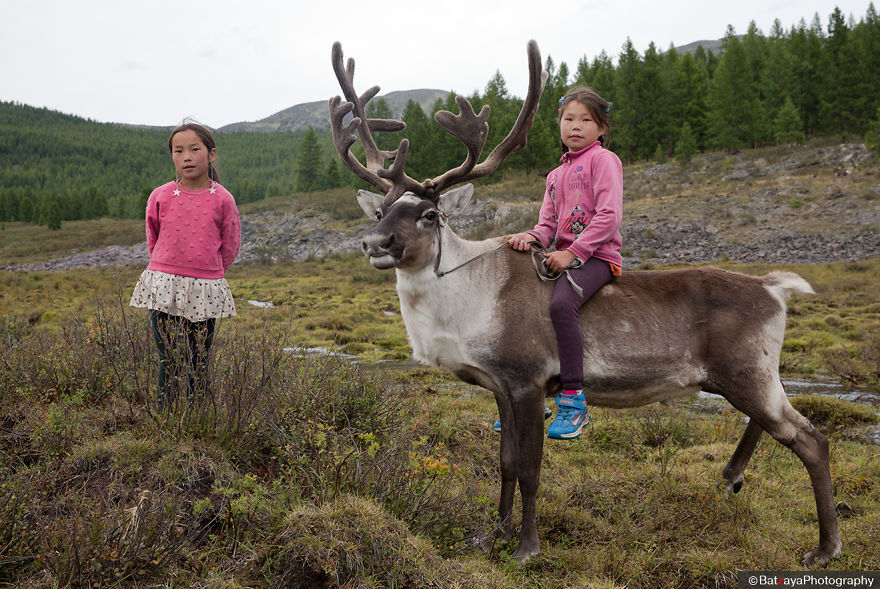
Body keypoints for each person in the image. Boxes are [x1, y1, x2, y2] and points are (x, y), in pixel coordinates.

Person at [502, 87, 623, 440]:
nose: (576, 126)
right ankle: (530, 395)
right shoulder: (555, 175)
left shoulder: (604, 161)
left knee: (560, 304)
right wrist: (530, 238)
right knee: (523, 302)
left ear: (601, 128)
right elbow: (547, 226)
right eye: (569, 119)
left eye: (586, 120)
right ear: (559, 124)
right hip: (563, 257)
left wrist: (574, 253)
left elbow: (609, 216)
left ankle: (573, 400)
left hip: (598, 256)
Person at [130, 121, 241, 409]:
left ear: (211, 154)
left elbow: (230, 245)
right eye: (178, 151)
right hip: (164, 286)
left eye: (194, 149)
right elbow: (152, 237)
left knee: (197, 359)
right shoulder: (161, 195)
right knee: (168, 357)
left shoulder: (223, 199)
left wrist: (209, 272)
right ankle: (166, 418)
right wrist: (166, 267)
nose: (187, 157)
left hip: (204, 289)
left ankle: (195, 419)